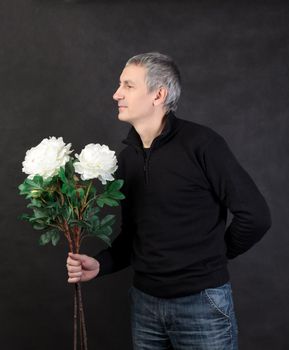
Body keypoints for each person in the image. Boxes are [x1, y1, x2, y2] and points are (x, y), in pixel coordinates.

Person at [66, 52, 272, 350]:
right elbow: (132, 237)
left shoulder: (203, 144)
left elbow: (256, 216)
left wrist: (215, 256)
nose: (116, 94)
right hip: (145, 306)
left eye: (128, 85)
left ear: (158, 94)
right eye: (119, 85)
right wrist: (101, 264)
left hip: (202, 306)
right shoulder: (127, 159)